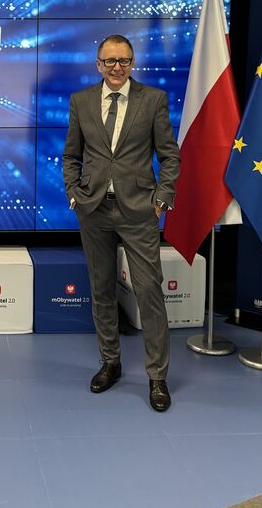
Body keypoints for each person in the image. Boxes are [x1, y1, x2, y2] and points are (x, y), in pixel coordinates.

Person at [63, 34, 181, 411]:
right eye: (110, 61)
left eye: (124, 61)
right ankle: (110, 363)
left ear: (133, 63)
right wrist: (74, 195)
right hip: (94, 210)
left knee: (149, 292)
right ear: (98, 64)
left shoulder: (153, 99)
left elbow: (170, 156)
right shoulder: (81, 101)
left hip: (139, 211)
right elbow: (71, 155)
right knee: (101, 291)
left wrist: (161, 201)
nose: (117, 67)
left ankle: (157, 377)